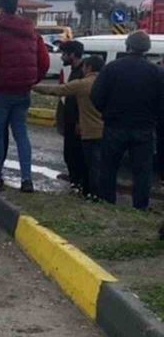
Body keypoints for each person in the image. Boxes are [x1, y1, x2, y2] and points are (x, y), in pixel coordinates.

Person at [0, 0, 50, 192]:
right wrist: (32, 80)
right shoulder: (32, 31)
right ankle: (27, 180)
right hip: (23, 91)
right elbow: (44, 62)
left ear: (0, 9)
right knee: (21, 134)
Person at [91, 31, 164, 210]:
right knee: (142, 172)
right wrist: (154, 118)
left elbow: (96, 96)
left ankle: (107, 204)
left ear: (128, 45)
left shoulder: (112, 68)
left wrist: (106, 112)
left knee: (108, 168)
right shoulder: (157, 72)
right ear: (146, 48)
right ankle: (140, 207)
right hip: (144, 128)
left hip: (115, 125)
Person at [33, 55, 105, 201]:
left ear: (89, 68)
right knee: (101, 164)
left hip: (90, 131)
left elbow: (59, 90)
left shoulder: (83, 84)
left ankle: (92, 193)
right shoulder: (107, 83)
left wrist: (33, 86)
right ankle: (99, 193)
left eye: (84, 67)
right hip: (106, 130)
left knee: (89, 164)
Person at [57, 40, 86, 192]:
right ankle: (74, 180)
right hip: (71, 120)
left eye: (64, 54)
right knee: (70, 153)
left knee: (75, 154)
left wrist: (78, 122)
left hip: (77, 123)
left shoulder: (81, 73)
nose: (62, 57)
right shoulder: (74, 70)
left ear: (72, 55)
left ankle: (78, 182)